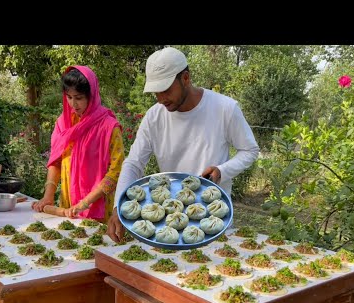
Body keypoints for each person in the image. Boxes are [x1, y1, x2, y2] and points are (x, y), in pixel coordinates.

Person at [107, 47, 259, 242]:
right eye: (156, 92)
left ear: (185, 78)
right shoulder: (154, 116)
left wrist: (222, 171)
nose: (161, 99)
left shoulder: (225, 109)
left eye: (166, 90)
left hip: (212, 224)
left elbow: (250, 150)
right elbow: (134, 163)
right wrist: (118, 207)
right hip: (166, 226)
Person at [32, 65, 124, 223]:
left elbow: (116, 172)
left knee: (96, 245)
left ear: (92, 95)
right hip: (69, 206)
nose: (73, 104)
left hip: (97, 206)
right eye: (69, 97)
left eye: (79, 98)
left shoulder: (109, 127)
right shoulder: (64, 124)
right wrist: (48, 195)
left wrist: (85, 203)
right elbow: (56, 161)